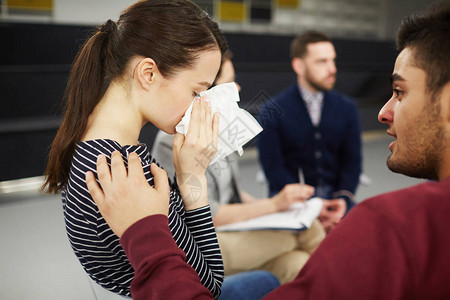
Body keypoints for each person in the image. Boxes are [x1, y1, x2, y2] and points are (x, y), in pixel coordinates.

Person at [85, 0, 450, 299]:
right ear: (148, 74)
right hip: (222, 237)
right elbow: (206, 275)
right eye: (203, 90)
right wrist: (265, 201)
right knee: (302, 246)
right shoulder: (146, 156)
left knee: (298, 258)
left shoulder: (155, 152)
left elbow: (200, 257)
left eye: (399, 92)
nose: (385, 111)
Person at [41, 0, 228, 298]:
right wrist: (194, 176)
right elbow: (209, 285)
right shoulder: (126, 170)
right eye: (196, 92)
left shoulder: (94, 139)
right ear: (148, 74)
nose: (201, 105)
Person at [152, 52, 325, 284]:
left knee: (297, 262)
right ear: (208, 91)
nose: (238, 88)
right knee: (305, 232)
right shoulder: (174, 141)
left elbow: (232, 196)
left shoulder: (221, 131)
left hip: (228, 232)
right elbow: (208, 214)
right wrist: (273, 204)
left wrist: (283, 209)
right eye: (229, 82)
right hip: (201, 244)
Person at [257, 30, 362, 233]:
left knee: (364, 240)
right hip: (292, 203)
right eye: (322, 62)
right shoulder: (272, 110)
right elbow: (274, 170)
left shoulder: (347, 108)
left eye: (333, 60)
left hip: (337, 200)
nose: (332, 69)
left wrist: (343, 199)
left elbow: (352, 162)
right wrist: (312, 205)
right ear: (299, 66)